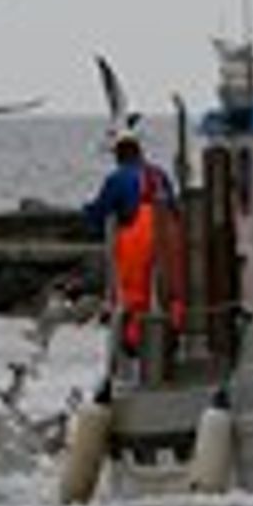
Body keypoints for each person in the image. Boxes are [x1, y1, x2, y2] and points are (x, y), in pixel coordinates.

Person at [82, 132, 178, 353]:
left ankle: (135, 344)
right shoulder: (159, 174)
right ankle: (169, 335)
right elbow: (173, 207)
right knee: (167, 290)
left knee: (134, 296)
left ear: (119, 156)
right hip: (168, 237)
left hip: (138, 239)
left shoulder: (117, 178)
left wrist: (87, 214)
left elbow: (100, 211)